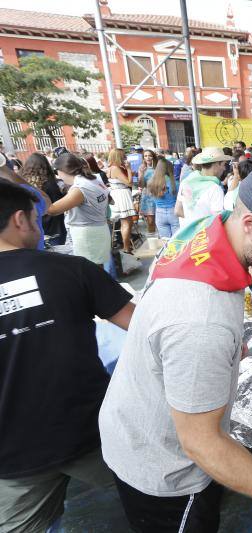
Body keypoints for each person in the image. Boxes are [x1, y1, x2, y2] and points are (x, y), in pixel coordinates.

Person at [98, 163, 252, 531]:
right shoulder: (201, 321)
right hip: (166, 468)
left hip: (137, 416)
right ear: (251, 225)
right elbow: (202, 444)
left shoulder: (209, 229)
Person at [0, 181, 134, 532]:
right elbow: (143, 328)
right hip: (91, 434)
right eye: (36, 218)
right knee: (160, 496)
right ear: (20, 220)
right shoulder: (72, 270)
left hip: (10, 455)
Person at [48, 154, 110, 265]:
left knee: (90, 271)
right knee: (97, 269)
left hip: (87, 235)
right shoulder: (94, 179)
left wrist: (37, 191)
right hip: (99, 229)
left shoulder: (79, 188)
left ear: (61, 170)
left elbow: (52, 210)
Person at [175, 147, 229, 228]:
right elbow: (217, 221)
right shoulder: (215, 188)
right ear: (217, 164)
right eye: (223, 164)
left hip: (186, 236)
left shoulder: (186, 182)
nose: (224, 168)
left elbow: (178, 211)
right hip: (204, 237)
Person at [20, 152, 66, 245]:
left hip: (30, 227)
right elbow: (56, 206)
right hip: (53, 229)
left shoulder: (22, 183)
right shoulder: (50, 184)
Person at [106, 148, 136, 253]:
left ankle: (126, 246)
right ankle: (126, 247)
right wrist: (128, 169)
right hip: (122, 195)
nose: (125, 158)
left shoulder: (111, 167)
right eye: (123, 156)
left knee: (127, 222)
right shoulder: (115, 168)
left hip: (117, 193)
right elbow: (129, 183)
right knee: (126, 223)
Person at [148, 158, 180, 238]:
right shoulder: (175, 183)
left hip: (159, 213)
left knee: (166, 242)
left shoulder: (151, 183)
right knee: (177, 241)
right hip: (174, 211)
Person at [137, 149, 157, 233]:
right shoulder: (142, 168)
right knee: (151, 221)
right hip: (148, 196)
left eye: (150, 155)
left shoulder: (158, 167)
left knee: (159, 221)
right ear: (143, 158)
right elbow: (141, 185)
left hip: (158, 195)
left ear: (153, 157)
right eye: (145, 156)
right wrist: (141, 173)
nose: (148, 158)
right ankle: (153, 240)